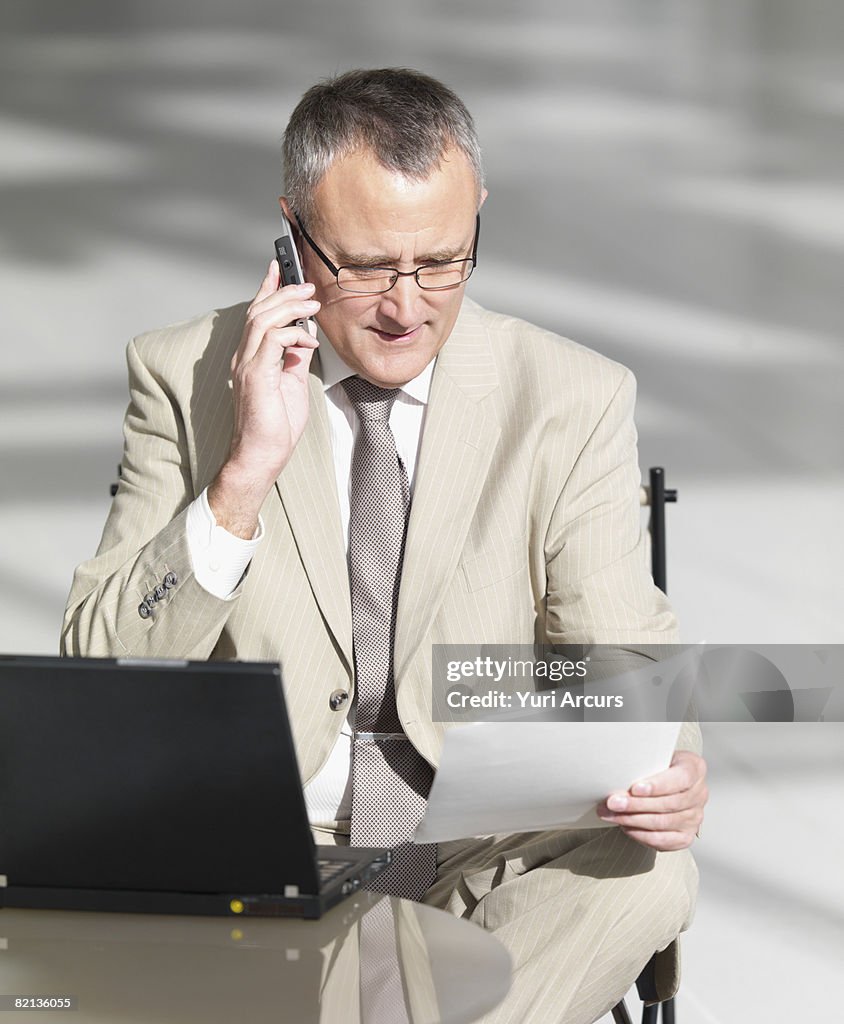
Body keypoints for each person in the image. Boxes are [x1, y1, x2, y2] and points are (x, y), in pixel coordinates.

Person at [62, 68, 707, 1023]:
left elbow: (624, 656)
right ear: (291, 231)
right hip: (259, 858)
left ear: (477, 215)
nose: (407, 307)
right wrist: (244, 474)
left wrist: (671, 770)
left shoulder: (572, 396)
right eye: (365, 266)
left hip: (481, 852)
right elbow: (97, 678)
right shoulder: (181, 375)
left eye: (443, 260)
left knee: (648, 873)